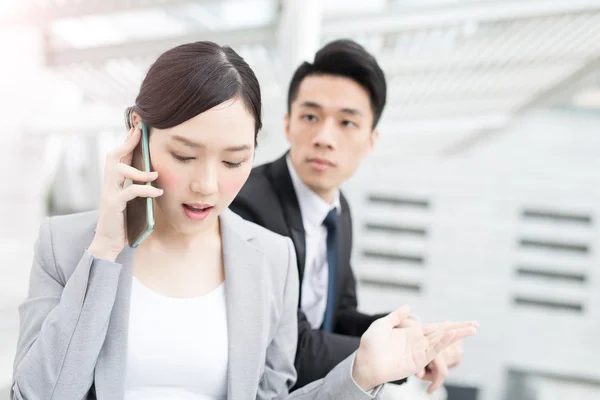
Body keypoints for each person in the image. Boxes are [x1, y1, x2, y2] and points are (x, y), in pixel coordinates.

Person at [12, 41, 477, 400]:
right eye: (185, 155)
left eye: (235, 161)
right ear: (138, 132)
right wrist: (105, 249)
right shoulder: (67, 245)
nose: (207, 185)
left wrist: (361, 373)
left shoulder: (272, 259)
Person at [229, 39, 467, 394]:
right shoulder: (249, 206)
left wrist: (411, 332)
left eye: (347, 123)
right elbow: (288, 347)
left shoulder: (340, 211)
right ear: (288, 124)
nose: (325, 137)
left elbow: (339, 316)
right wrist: (405, 353)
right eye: (310, 117)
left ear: (371, 140)